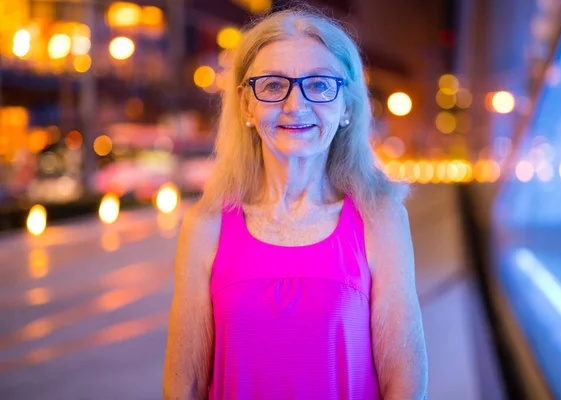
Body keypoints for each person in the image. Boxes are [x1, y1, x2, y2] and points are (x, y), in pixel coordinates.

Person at [163, 6, 427, 400]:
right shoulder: (206, 226)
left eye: (319, 85)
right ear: (245, 105)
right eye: (272, 85)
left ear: (347, 108)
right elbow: (184, 385)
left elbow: (405, 385)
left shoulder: (380, 220)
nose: (294, 105)